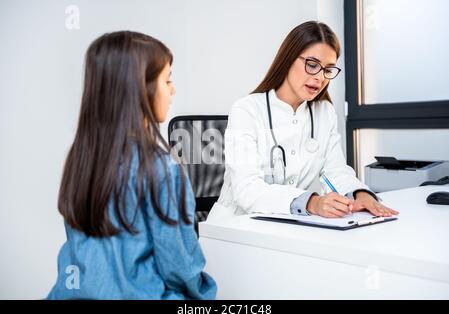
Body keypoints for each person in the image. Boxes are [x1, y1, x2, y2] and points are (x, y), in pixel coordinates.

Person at [47, 31, 216, 299]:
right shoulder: (164, 169)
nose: (173, 89)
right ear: (140, 90)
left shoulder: (81, 158)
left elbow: (79, 254)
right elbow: (180, 268)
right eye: (167, 80)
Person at [208, 21, 399, 220]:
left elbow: (335, 171)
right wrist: (312, 202)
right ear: (288, 59)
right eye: (312, 65)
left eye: (328, 69)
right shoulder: (247, 110)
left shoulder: (323, 112)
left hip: (286, 225)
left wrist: (361, 195)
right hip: (234, 227)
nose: (320, 77)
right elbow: (246, 189)